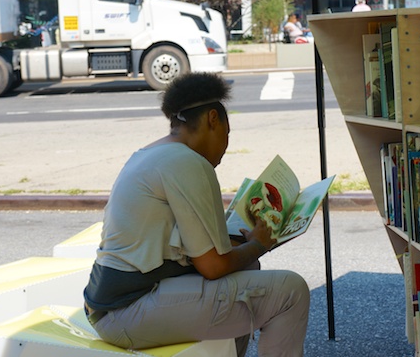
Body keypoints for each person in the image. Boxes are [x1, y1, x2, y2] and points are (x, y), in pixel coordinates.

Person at [83, 72, 310, 357]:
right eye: (227, 134)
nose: (226, 148)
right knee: (291, 291)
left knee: (248, 270)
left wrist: (248, 247)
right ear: (213, 119)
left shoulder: (152, 153)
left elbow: (186, 249)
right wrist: (259, 244)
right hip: (127, 310)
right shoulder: (188, 162)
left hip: (110, 306)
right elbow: (213, 267)